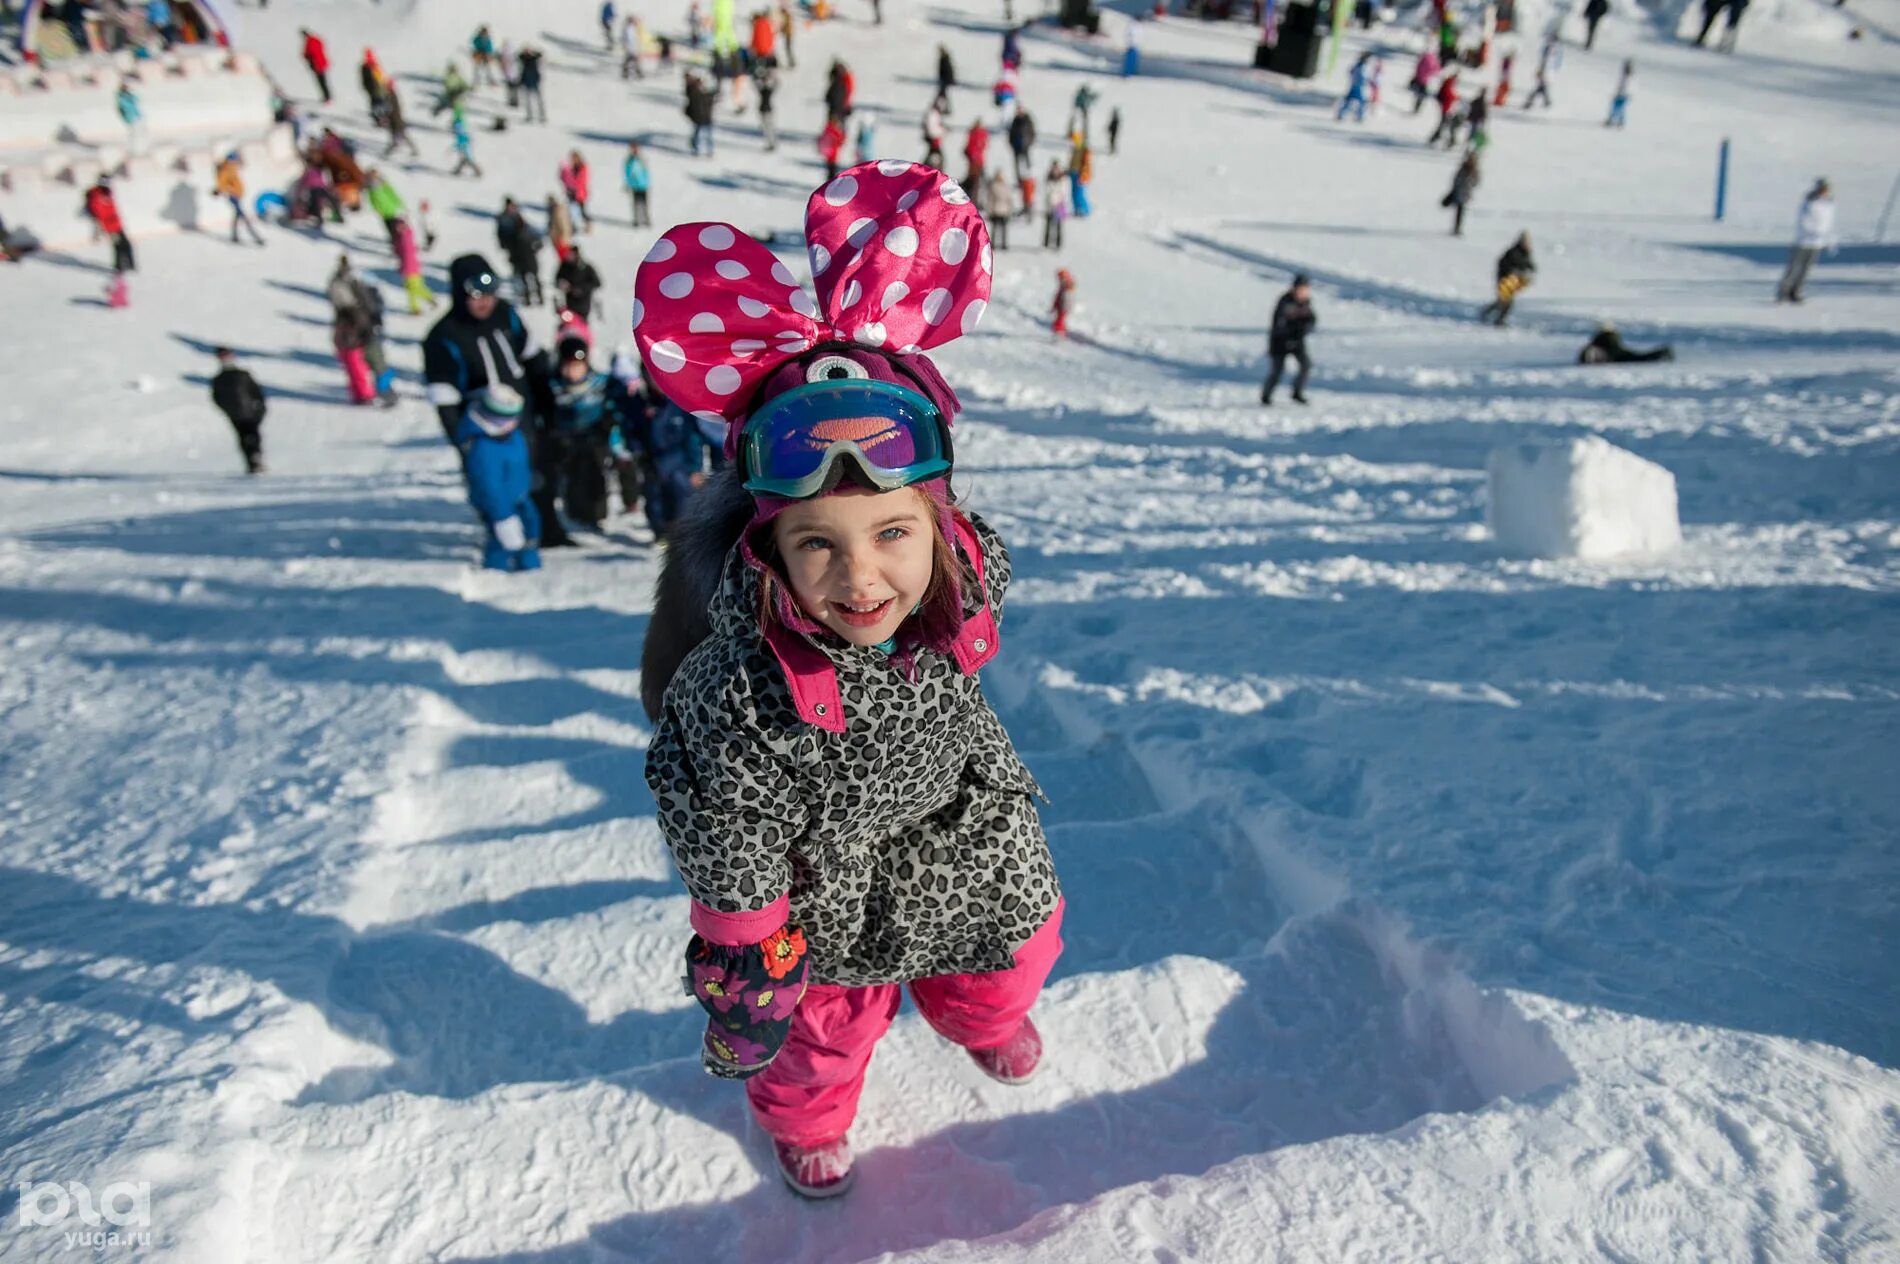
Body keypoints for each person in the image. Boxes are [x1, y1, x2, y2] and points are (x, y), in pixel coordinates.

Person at [631, 165, 1062, 1198]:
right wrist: (743, 946)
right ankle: (810, 1123)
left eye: (892, 533)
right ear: (762, 548)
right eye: (816, 542)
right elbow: (727, 823)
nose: (861, 576)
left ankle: (984, 1018)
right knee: (819, 1036)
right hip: (822, 896)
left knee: (1011, 949)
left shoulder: (957, 589)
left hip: (963, 837)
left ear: (942, 527)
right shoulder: (741, 690)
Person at [423, 254, 573, 547]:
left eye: (491, 294)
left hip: (523, 416)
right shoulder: (443, 337)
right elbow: (445, 400)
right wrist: (463, 442)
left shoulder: (506, 314)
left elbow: (533, 361)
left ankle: (549, 535)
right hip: (485, 431)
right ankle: (506, 547)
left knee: (540, 475)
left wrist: (548, 408)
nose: (486, 302)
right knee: (497, 487)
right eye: (477, 295)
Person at [458, 385, 544, 572]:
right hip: (498, 506)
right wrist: (502, 517)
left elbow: (518, 463)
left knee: (531, 527)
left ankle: (529, 565)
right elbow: (489, 487)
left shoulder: (512, 436)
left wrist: (529, 479)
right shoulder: (483, 448)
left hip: (520, 495)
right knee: (502, 538)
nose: (513, 424)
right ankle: (496, 570)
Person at [209, 347, 267, 475]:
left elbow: (256, 392)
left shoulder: (242, 375)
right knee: (244, 438)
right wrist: (227, 409)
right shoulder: (219, 379)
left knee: (253, 436)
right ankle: (251, 462)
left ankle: (256, 460)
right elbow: (216, 398)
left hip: (250, 412)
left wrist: (260, 407)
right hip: (235, 415)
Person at [1776, 178, 1835, 304]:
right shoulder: (1809, 203)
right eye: (1823, 189)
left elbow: (1827, 223)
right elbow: (1804, 222)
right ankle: (1783, 291)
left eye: (1826, 189)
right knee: (1794, 267)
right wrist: (1816, 231)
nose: (1825, 192)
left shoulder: (1828, 205)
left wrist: (1828, 239)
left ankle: (1796, 291)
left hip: (1816, 243)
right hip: (1803, 241)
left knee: (1806, 269)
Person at [1260, 273, 1315, 405]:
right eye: (1300, 288)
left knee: (1306, 365)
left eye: (1305, 288)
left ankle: (1297, 392)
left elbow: (1311, 320)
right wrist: (1290, 335)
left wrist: (1304, 329)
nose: (1302, 291)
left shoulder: (1305, 303)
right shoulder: (1285, 301)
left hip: (1297, 341)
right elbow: (1279, 324)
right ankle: (1266, 396)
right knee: (1278, 371)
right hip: (1280, 342)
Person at [496, 198, 545, 306]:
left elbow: (532, 232)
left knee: (535, 276)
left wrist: (537, 243)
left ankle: (540, 296)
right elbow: (501, 236)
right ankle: (527, 297)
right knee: (523, 278)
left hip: (528, 252)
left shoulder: (520, 219)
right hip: (516, 253)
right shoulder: (504, 220)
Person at [1479, 232, 1535, 325]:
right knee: (1505, 301)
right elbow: (1503, 264)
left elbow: (1529, 265)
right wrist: (1512, 271)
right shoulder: (1513, 252)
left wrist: (1529, 271)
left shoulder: (1526, 253)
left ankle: (1490, 314)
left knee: (1505, 301)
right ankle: (1497, 318)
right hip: (1505, 280)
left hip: (1514, 281)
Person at [84, 176, 135, 273]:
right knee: (119, 246)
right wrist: (102, 226)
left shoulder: (107, 193)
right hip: (110, 226)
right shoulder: (97, 195)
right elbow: (99, 212)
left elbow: (112, 208)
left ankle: (129, 265)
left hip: (116, 224)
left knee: (126, 244)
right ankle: (120, 267)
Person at [215, 152, 266, 246]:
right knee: (243, 216)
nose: (236, 161)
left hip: (237, 195)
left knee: (237, 215)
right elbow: (221, 185)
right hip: (233, 196)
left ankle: (234, 236)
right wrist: (230, 190)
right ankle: (256, 236)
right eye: (234, 159)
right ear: (230, 160)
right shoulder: (225, 170)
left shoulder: (232, 167)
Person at [1578, 321, 1673, 363]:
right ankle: (1662, 353)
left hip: (1617, 356)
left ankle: (1662, 353)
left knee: (1640, 358)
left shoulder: (1602, 339)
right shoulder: (1608, 338)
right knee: (1640, 358)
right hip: (1619, 355)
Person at [395, 218, 436, 314]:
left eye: (401, 226)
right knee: (417, 287)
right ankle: (428, 298)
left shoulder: (405, 238)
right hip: (412, 268)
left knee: (412, 289)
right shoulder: (404, 237)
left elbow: (407, 255)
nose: (398, 228)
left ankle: (416, 308)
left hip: (410, 268)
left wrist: (403, 267)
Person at [556, 243, 603, 320]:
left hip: (583, 305)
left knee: (582, 326)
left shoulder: (586, 268)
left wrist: (581, 289)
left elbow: (597, 283)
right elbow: (557, 280)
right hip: (569, 305)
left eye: (571, 254)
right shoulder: (564, 266)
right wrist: (562, 284)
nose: (568, 256)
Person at [365, 168, 406, 250]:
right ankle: (395, 243)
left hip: (391, 208)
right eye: (372, 175)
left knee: (396, 228)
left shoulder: (383, 184)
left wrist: (399, 203)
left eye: (375, 175)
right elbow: (372, 200)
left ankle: (401, 243)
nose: (374, 177)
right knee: (389, 228)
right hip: (383, 212)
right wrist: (376, 209)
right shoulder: (370, 188)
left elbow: (392, 193)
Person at [560, 151, 593, 233]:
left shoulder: (582, 168)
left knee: (582, 212)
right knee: (571, 212)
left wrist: (573, 184)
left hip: (580, 194)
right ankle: (572, 227)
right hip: (570, 193)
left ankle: (588, 224)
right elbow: (563, 178)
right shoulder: (569, 169)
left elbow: (582, 181)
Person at [685, 71, 717, 156]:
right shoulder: (695, 94)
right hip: (701, 118)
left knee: (705, 135)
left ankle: (707, 150)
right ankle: (699, 149)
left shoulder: (699, 94)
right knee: (700, 135)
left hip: (704, 118)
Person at [1338, 51, 1374, 122]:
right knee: (1362, 102)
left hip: (1354, 85)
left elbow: (1351, 72)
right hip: (1358, 86)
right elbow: (1362, 76)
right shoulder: (1362, 66)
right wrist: (1367, 81)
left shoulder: (1357, 65)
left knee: (1349, 100)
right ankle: (1359, 116)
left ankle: (1341, 114)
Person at [624, 142, 654, 226]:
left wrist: (647, 181)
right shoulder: (629, 160)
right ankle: (636, 219)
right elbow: (627, 173)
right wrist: (628, 183)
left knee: (644, 203)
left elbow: (645, 171)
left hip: (643, 184)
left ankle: (646, 219)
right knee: (636, 203)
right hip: (635, 185)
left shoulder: (641, 159)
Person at [1523, 34, 1556, 107]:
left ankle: (1529, 102)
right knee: (1541, 89)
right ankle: (1546, 101)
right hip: (1545, 74)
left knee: (1539, 89)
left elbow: (1545, 63)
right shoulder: (1551, 51)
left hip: (1545, 74)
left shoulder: (1549, 51)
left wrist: (1541, 72)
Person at [1428, 71, 1460, 145]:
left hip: (1446, 107)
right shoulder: (1449, 82)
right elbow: (1448, 94)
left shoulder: (1448, 82)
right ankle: (1441, 138)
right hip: (1446, 108)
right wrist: (1456, 97)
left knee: (1444, 124)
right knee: (1446, 124)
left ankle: (1437, 137)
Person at [1042, 158, 1067, 249]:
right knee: (1048, 225)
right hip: (1049, 205)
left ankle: (1058, 243)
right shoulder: (1048, 178)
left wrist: (1056, 200)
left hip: (1059, 205)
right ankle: (1046, 243)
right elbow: (1046, 191)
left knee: (1058, 226)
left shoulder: (1063, 179)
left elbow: (1063, 193)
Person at [301, 28, 331, 104]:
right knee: (323, 81)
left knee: (321, 82)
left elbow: (308, 53)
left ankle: (327, 98)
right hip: (321, 63)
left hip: (317, 65)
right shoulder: (316, 40)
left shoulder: (310, 42)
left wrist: (309, 59)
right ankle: (327, 97)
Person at [985, 168, 1013, 249]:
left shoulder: (996, 186)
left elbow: (1009, 200)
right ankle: (1000, 244)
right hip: (998, 211)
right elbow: (991, 200)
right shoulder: (998, 186)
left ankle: (1001, 244)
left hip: (1000, 210)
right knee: (998, 229)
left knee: (1000, 229)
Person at [518, 45, 547, 123]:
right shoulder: (524, 59)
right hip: (527, 82)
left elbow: (540, 54)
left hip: (534, 82)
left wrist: (532, 52)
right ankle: (530, 116)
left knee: (538, 100)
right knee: (528, 101)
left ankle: (542, 116)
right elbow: (519, 56)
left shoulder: (533, 58)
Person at [1409, 47, 1441, 114]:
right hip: (1425, 80)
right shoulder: (1434, 61)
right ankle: (1418, 106)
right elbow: (1436, 70)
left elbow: (1417, 67)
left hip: (1419, 78)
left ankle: (1416, 106)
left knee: (1419, 93)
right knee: (1421, 95)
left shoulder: (1423, 59)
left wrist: (1417, 74)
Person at [757, 60, 780, 151]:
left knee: (769, 127)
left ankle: (772, 142)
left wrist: (771, 76)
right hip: (764, 109)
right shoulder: (763, 89)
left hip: (767, 109)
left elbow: (776, 84)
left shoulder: (767, 90)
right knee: (767, 127)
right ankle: (771, 142)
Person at [115, 81, 145, 154]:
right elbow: (121, 109)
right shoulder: (121, 98)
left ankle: (139, 148)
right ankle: (132, 149)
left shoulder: (129, 96)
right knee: (133, 133)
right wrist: (126, 118)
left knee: (139, 132)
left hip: (136, 115)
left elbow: (137, 99)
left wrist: (131, 93)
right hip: (130, 117)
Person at [1007, 107, 1036, 179]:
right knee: (1017, 165)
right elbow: (1011, 133)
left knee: (1027, 163)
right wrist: (1011, 143)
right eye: (1018, 110)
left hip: (1025, 145)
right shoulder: (1015, 120)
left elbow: (1032, 133)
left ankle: (1029, 179)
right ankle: (1018, 179)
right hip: (1016, 146)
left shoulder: (1027, 120)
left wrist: (1029, 142)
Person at [817, 115, 847, 183]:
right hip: (833, 155)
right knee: (832, 173)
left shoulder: (827, 128)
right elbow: (841, 140)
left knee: (830, 172)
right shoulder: (834, 130)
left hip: (828, 154)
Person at [922, 95, 947, 168]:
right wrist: (943, 130)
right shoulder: (933, 114)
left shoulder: (935, 114)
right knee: (935, 157)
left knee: (932, 156)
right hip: (933, 138)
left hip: (934, 139)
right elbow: (932, 128)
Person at [963, 119, 989, 188]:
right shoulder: (974, 132)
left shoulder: (979, 133)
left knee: (975, 177)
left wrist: (973, 155)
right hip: (974, 158)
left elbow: (980, 146)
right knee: (974, 177)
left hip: (976, 159)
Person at [1606, 58, 1632, 127]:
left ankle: (1615, 121)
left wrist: (1623, 93)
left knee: (1617, 107)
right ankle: (1617, 121)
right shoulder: (1625, 76)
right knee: (1618, 107)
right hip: (1622, 94)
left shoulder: (1628, 77)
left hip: (1623, 94)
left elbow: (1627, 86)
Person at [1050, 267, 1074, 335]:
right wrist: (1054, 306)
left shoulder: (1068, 287)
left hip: (1064, 307)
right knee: (1059, 321)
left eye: (1061, 278)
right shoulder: (1062, 287)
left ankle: (1059, 333)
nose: (1059, 280)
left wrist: (1066, 308)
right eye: (1059, 278)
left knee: (1059, 321)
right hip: (1060, 307)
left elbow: (1069, 299)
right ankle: (1060, 332)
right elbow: (1058, 298)